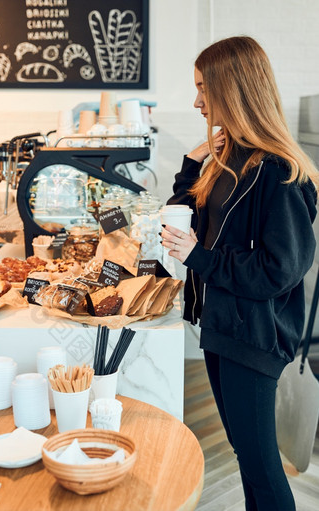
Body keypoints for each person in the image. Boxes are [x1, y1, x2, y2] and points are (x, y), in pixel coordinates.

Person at [161, 36, 319, 511]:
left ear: (234, 89)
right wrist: (192, 164)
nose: (196, 101)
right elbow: (181, 216)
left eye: (203, 89)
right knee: (246, 456)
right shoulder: (230, 161)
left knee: (261, 464)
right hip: (223, 326)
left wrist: (200, 259)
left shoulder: (278, 173)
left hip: (253, 337)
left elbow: (280, 270)